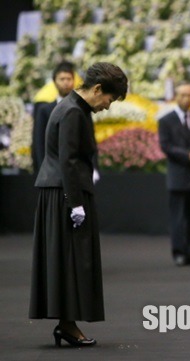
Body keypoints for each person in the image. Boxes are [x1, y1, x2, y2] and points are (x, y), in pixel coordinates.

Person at [29, 62, 128, 347]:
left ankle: (67, 324)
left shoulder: (74, 107)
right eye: (109, 99)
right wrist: (75, 204)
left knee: (66, 260)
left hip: (61, 191)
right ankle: (67, 325)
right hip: (64, 193)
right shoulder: (73, 111)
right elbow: (69, 161)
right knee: (72, 259)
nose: (108, 106)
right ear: (97, 89)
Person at [158, 82, 190, 267]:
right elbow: (166, 146)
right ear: (175, 96)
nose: (186, 98)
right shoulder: (166, 120)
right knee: (178, 218)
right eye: (182, 95)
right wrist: (189, 155)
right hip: (178, 175)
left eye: (189, 95)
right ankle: (179, 253)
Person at [32, 61, 76, 173]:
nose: (66, 82)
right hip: (51, 169)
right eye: (62, 79)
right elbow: (39, 141)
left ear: (74, 81)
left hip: (76, 169)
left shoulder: (81, 108)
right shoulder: (44, 110)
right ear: (54, 81)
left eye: (69, 78)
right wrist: (42, 167)